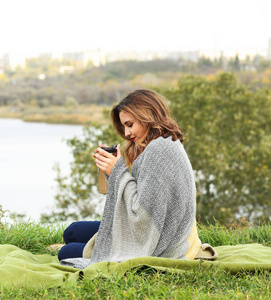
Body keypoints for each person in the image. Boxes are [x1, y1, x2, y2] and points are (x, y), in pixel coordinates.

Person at [59, 89, 216, 269]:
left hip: (164, 242)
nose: (126, 133)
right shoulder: (162, 143)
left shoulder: (160, 150)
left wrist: (118, 171)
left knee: (67, 252)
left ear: (147, 116)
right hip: (153, 230)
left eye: (130, 124)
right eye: (124, 126)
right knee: (72, 231)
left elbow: (143, 215)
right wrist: (113, 172)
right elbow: (142, 200)